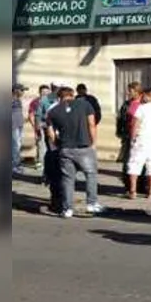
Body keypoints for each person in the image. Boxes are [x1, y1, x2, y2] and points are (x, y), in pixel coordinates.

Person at [46, 86, 102, 218]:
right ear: (72, 95)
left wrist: (58, 144)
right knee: (90, 174)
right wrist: (93, 143)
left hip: (65, 148)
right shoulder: (85, 105)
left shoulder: (53, 111)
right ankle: (92, 203)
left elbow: (50, 133)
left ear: (59, 97)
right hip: (84, 146)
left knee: (67, 179)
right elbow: (92, 124)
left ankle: (68, 209)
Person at [126, 88, 151, 200]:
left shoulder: (141, 108)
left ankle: (133, 191)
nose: (142, 98)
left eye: (144, 96)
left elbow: (135, 124)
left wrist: (132, 138)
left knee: (135, 164)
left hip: (141, 140)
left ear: (150, 96)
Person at [28, 84, 51, 171]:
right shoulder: (35, 102)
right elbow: (31, 115)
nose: (45, 93)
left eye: (47, 92)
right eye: (43, 92)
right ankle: (40, 163)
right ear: (39, 92)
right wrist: (35, 127)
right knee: (41, 145)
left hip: (50, 126)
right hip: (40, 126)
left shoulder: (51, 100)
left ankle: (49, 163)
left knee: (50, 145)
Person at [12, 84, 27, 174]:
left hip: (19, 125)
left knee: (18, 145)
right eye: (22, 90)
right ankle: (15, 166)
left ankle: (16, 164)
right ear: (16, 90)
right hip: (13, 126)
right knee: (15, 145)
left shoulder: (18, 99)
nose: (23, 92)